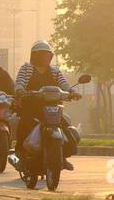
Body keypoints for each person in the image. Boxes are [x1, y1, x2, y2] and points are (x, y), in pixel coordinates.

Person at [13, 39, 75, 168]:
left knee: (65, 125)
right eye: (41, 54)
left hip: (53, 106)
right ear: (34, 55)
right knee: (25, 123)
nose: (44, 57)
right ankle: (22, 155)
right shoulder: (26, 68)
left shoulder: (55, 71)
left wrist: (71, 91)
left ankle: (62, 156)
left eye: (47, 54)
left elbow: (64, 84)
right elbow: (20, 82)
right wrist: (20, 90)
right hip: (32, 106)